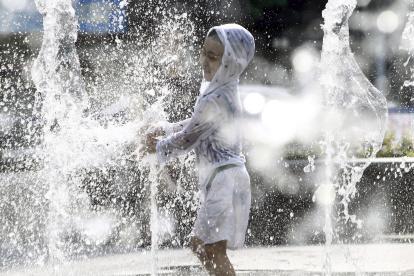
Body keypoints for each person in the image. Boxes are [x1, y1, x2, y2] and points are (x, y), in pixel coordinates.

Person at [143, 23, 255, 276]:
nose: (204, 61)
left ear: (231, 62)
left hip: (225, 180)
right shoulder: (222, 89)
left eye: (213, 57)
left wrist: (158, 146)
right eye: (204, 52)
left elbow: (189, 138)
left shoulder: (215, 97)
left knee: (212, 250)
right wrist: (165, 128)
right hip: (227, 178)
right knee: (202, 246)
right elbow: (196, 126)